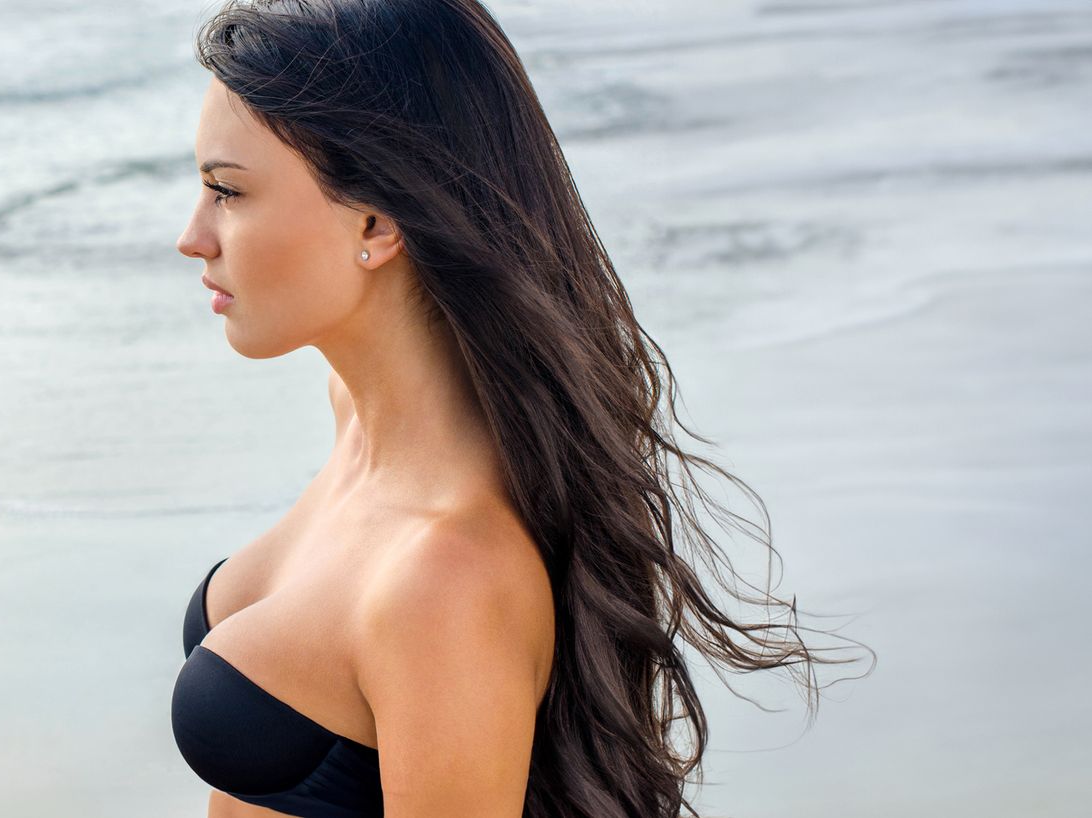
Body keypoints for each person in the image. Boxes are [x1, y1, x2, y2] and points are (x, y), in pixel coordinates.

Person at [171, 2, 868, 817]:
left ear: (375, 219)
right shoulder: (362, 422)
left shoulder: (447, 578)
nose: (193, 236)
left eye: (227, 192)